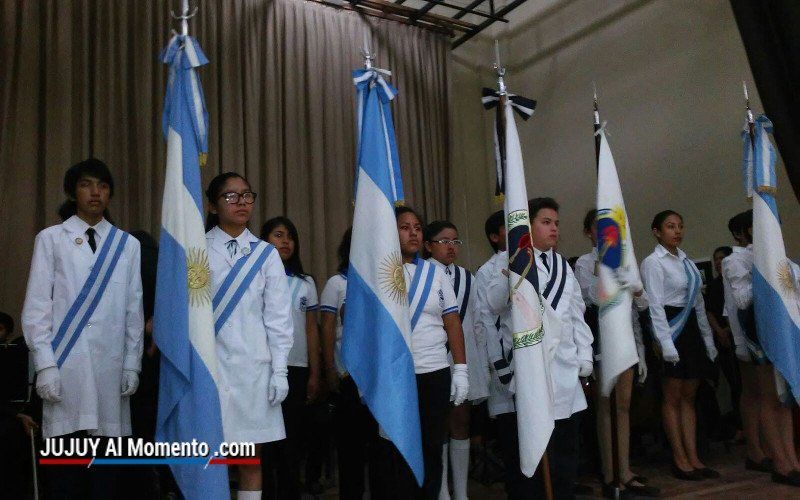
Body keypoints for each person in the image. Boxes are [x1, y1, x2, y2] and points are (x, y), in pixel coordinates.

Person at [22, 158, 144, 498]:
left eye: (103, 186)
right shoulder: (51, 239)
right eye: (87, 184)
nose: (95, 192)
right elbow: (36, 308)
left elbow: (134, 309)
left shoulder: (127, 245)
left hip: (110, 369)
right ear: (72, 191)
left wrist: (133, 364)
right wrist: (44, 364)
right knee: (66, 476)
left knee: (106, 474)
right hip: (65, 369)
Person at [484, 198, 594, 499]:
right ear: (528, 226)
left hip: (565, 370)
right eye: (546, 222)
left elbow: (575, 314)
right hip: (531, 371)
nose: (554, 228)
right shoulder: (509, 261)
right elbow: (492, 305)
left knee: (565, 454)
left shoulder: (562, 265)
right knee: (532, 456)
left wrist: (585, 357)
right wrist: (514, 269)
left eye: (556, 223)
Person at [204, 172, 294, 500]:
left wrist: (280, 370)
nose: (241, 203)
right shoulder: (196, 250)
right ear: (213, 205)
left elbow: (278, 319)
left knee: (248, 460)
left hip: (253, 370)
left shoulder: (265, 254)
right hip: (209, 369)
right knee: (209, 460)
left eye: (247, 195)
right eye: (231, 196)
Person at [380, 206, 469, 499]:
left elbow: (452, 321)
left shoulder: (435, 273)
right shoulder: (379, 270)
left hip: (434, 372)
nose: (413, 232)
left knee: (432, 448)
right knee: (397, 452)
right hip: (396, 376)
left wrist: (460, 370)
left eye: (417, 227)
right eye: (405, 227)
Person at [574, 209, 658, 497]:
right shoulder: (585, 263)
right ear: (588, 233)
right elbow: (591, 298)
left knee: (623, 408)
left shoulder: (625, 258)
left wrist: (631, 283)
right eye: (597, 229)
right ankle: (609, 473)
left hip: (626, 338)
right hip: (601, 339)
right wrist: (604, 266)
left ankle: (625, 470)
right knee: (605, 408)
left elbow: (643, 303)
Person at [721, 209, 800, 486]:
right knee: (768, 397)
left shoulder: (783, 261)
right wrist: (765, 272)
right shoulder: (736, 260)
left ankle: (792, 460)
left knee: (785, 399)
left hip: (786, 333)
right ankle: (780, 462)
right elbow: (741, 301)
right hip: (761, 334)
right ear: (754, 230)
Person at [640, 210, 719, 481]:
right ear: (657, 232)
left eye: (680, 226)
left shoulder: (686, 262)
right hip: (671, 329)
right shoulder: (653, 262)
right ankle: (679, 458)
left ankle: (694, 457)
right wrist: (665, 343)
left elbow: (698, 303)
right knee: (672, 397)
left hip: (691, 332)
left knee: (689, 396)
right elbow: (655, 306)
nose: (677, 231)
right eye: (670, 227)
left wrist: (708, 340)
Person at [423, 220, 489, 500]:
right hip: (434, 356)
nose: (451, 247)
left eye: (455, 242)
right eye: (444, 241)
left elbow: (475, 322)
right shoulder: (421, 274)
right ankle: (441, 491)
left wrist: (479, 364)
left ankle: (461, 492)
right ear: (428, 245)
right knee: (438, 425)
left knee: (460, 422)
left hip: (463, 357)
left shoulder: (467, 277)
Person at [261, 216, 322, 499]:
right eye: (278, 235)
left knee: (292, 441)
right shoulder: (255, 276)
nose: (286, 242)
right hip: (263, 368)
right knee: (264, 443)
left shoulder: (306, 282)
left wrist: (314, 373)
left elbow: (311, 329)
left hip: (296, 368)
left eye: (290, 236)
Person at [320, 228, 380, 500]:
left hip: (380, 377)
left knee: (381, 450)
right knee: (351, 451)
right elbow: (328, 329)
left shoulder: (384, 281)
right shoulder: (336, 283)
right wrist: (330, 371)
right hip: (348, 376)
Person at [474, 210, 523, 496]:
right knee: (512, 438)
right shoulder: (487, 271)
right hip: (505, 362)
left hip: (533, 361)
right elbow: (486, 322)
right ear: (495, 237)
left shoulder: (534, 261)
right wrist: (500, 364)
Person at [703, 245, 741, 439]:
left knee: (744, 383)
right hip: (723, 339)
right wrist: (720, 331)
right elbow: (709, 311)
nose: (718, 262)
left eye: (722, 258)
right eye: (715, 258)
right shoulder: (714, 285)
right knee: (733, 382)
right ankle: (737, 426)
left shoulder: (737, 281)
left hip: (740, 336)